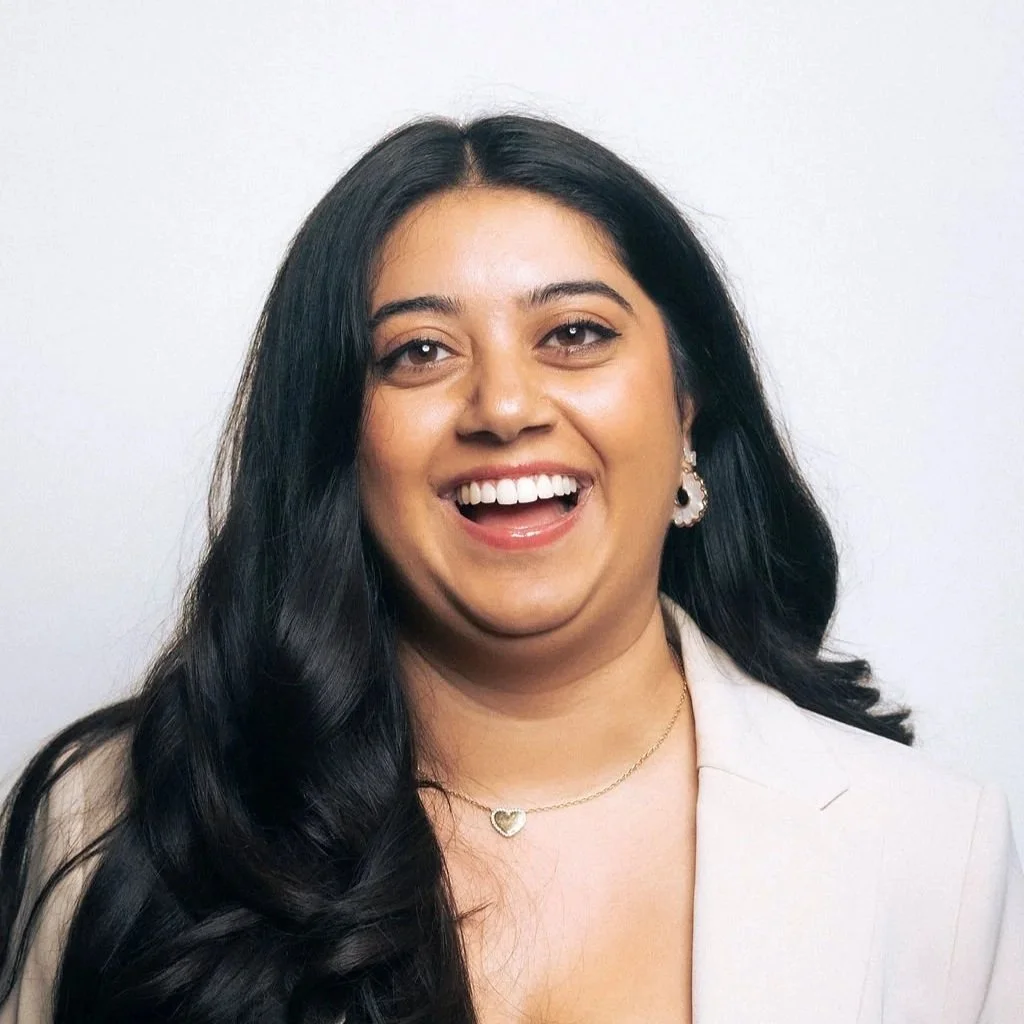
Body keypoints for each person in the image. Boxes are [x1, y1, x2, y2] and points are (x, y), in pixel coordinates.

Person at [1, 113, 1021, 1024]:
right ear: (338, 444)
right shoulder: (114, 819)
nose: (502, 405)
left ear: (685, 409)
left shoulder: (936, 852)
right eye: (418, 352)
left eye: (574, 334)